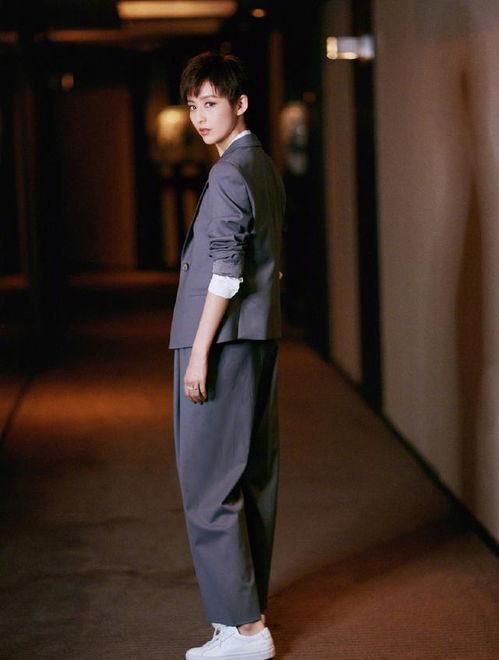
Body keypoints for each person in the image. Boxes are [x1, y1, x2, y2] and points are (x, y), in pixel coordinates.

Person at [168, 50, 285, 660]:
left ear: (239, 104)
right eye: (193, 105)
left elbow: (226, 269)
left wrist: (199, 354)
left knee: (208, 483)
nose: (199, 117)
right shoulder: (261, 165)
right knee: (251, 475)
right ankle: (249, 614)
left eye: (210, 103)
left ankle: (242, 630)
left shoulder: (229, 174)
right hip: (256, 339)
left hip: (223, 340)